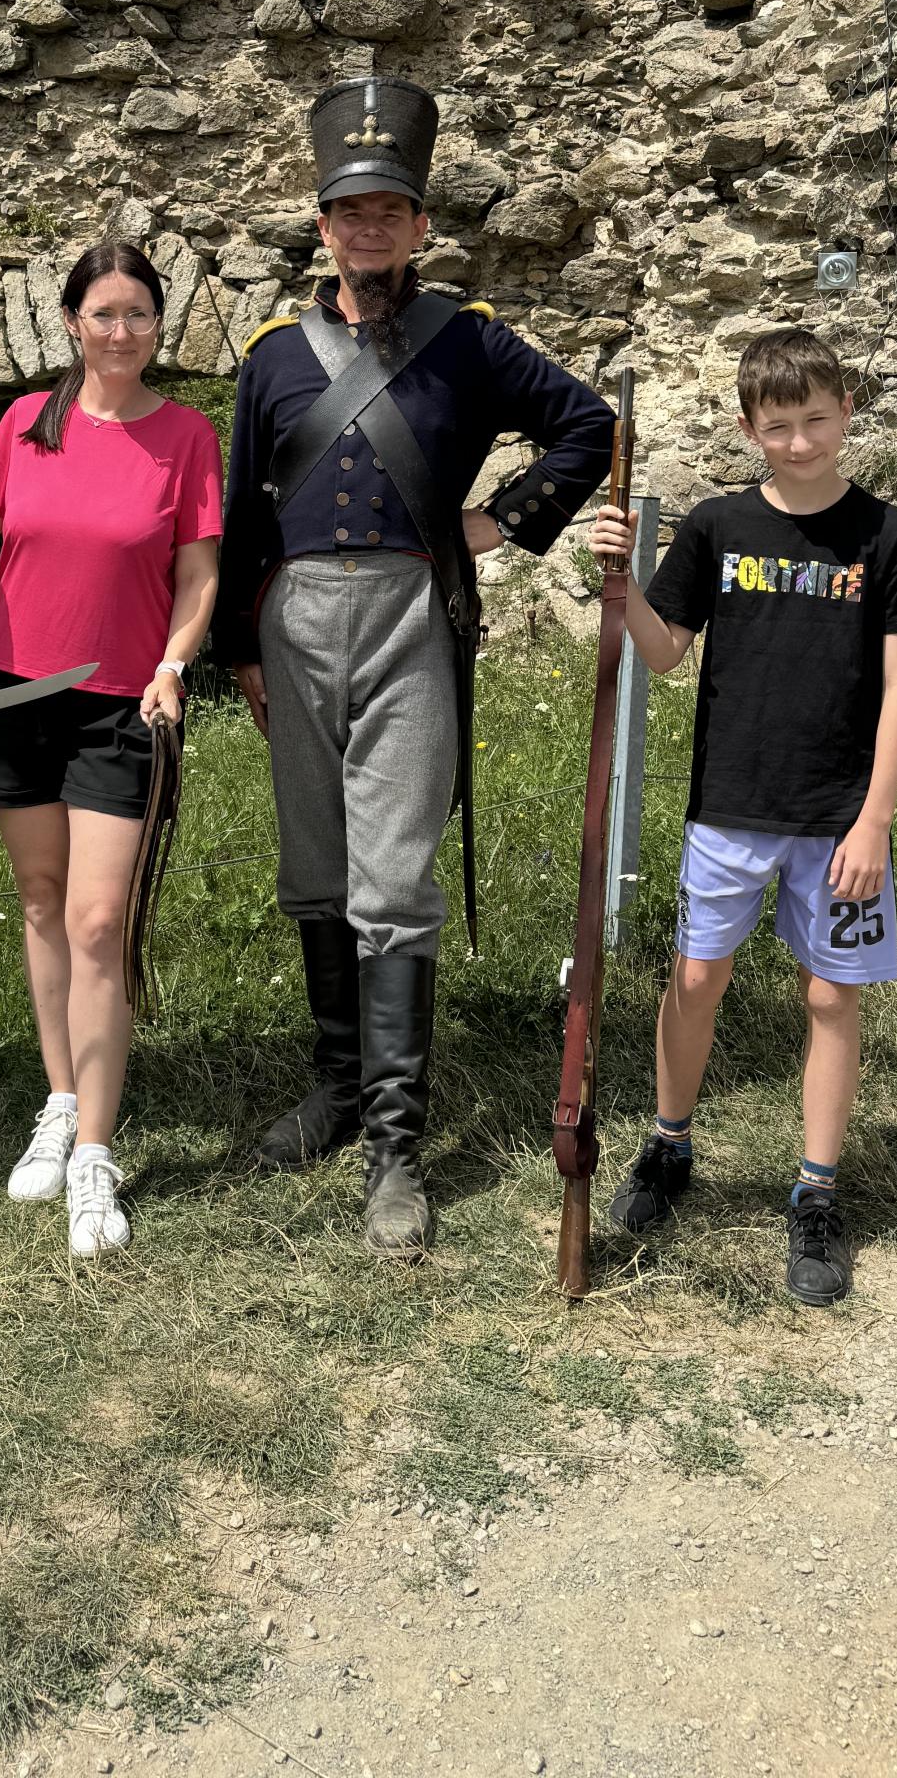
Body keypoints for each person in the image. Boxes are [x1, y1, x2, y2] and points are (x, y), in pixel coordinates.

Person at [219, 75, 615, 1258]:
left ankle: (396, 1149)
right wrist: (240, 643)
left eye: (391, 208)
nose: (370, 228)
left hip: (409, 618)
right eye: (351, 210)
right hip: (291, 626)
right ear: (324, 223)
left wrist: (498, 521)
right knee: (317, 864)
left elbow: (588, 425)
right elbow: (245, 507)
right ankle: (338, 1092)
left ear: (420, 224)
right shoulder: (275, 357)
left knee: (392, 877)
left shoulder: (471, 341)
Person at [588, 324, 897, 1306]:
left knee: (832, 996)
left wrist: (876, 818)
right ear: (751, 427)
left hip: (838, 816)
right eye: (778, 424)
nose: (798, 441)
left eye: (816, 420)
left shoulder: (888, 536)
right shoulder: (715, 526)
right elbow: (665, 654)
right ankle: (669, 1146)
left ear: (845, 417)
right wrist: (620, 589)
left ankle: (817, 1189)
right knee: (698, 975)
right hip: (731, 807)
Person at [0, 241, 221, 1259]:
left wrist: (175, 662)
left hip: (125, 705)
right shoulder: (23, 424)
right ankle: (60, 1093)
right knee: (41, 901)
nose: (121, 330)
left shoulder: (186, 438)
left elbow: (200, 574)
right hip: (13, 693)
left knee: (96, 922)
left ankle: (93, 1152)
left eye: (139, 313)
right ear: (72, 322)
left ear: (155, 327)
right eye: (103, 313)